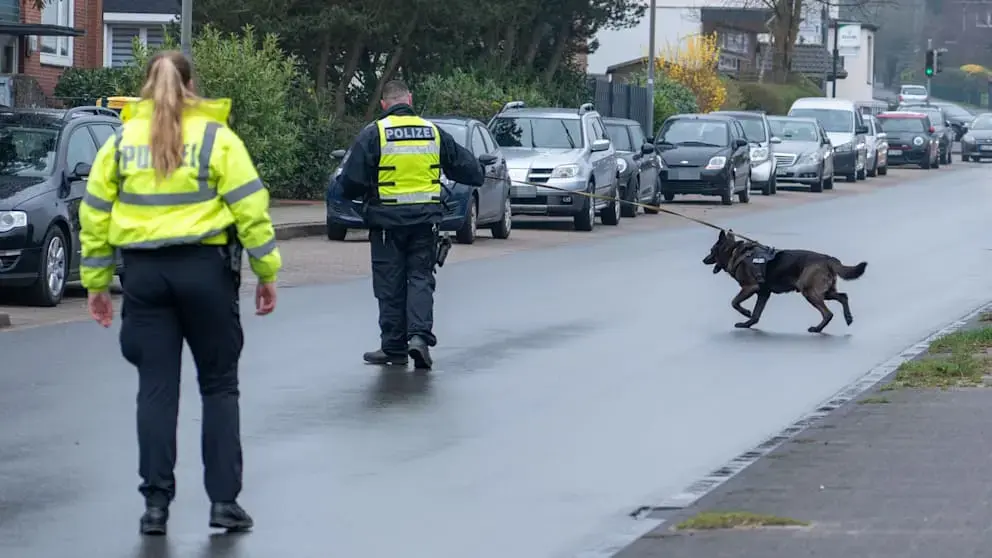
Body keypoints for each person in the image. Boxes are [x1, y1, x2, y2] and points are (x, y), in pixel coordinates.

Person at [78, 50, 281, 536]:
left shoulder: (121, 141)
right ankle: (224, 503)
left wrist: (96, 282)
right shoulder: (217, 139)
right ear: (192, 85)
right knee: (218, 386)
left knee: (156, 390)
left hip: (145, 277)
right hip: (204, 273)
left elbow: (94, 215)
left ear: (146, 86)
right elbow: (250, 208)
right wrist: (266, 271)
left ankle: (155, 507)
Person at [339, 79, 484, 370]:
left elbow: (350, 183)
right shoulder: (433, 132)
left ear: (384, 105)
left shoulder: (374, 134)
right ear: (410, 99)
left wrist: (363, 190)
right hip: (424, 223)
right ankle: (418, 338)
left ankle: (393, 347)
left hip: (386, 224)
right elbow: (470, 171)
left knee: (389, 283)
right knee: (420, 278)